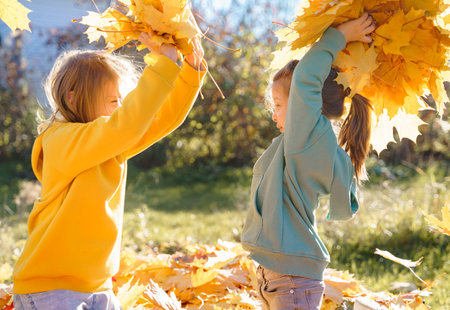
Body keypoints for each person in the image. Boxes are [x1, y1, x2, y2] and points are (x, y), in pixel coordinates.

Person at [12, 32, 206, 309]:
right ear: (73, 98)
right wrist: (162, 66)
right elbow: (125, 125)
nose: (121, 108)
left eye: (121, 101)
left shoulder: (110, 144)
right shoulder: (60, 140)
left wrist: (190, 71)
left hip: (98, 285)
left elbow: (158, 119)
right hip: (51, 288)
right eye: (113, 101)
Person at [241, 13, 376, 310]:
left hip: (291, 279)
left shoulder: (305, 140)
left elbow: (305, 79)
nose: (273, 114)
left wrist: (341, 35)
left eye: (278, 105)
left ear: (307, 104)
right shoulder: (297, 145)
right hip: (280, 276)